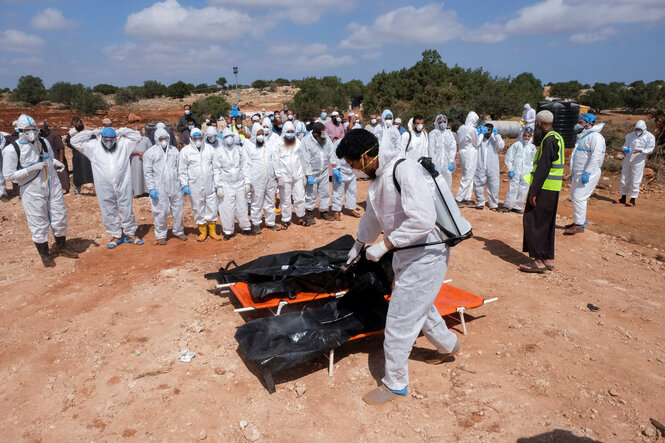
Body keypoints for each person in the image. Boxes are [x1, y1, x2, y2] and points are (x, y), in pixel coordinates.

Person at [336, 129, 460, 405]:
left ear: (367, 155)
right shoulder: (377, 181)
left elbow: (423, 220)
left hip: (426, 254)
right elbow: (372, 217)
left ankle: (395, 384)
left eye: (353, 163)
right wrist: (359, 245)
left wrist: (386, 245)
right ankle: (448, 344)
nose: (353, 169)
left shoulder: (404, 171)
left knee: (400, 321)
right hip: (406, 254)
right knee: (419, 305)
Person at [2, 114, 77, 266]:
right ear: (20, 130)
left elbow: (48, 157)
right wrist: (31, 169)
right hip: (31, 189)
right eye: (28, 130)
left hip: (52, 185)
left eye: (34, 129)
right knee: (38, 221)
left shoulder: (42, 142)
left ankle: (62, 247)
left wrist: (56, 163)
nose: (32, 132)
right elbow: (9, 175)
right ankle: (45, 254)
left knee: (59, 216)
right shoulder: (12, 150)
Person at [70, 125, 145, 247]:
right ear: (101, 138)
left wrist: (122, 130)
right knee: (108, 209)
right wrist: (92, 132)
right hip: (104, 185)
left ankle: (131, 234)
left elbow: (137, 136)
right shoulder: (93, 146)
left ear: (116, 138)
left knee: (126, 207)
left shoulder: (123, 145)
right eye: (106, 140)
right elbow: (74, 141)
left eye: (112, 140)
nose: (109, 143)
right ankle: (116, 235)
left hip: (123, 182)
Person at [520, 110, 564, 273]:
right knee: (546, 224)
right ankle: (547, 258)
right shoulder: (557, 137)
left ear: (539, 123)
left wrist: (533, 192)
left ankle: (538, 261)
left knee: (534, 222)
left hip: (544, 189)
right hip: (552, 189)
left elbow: (543, 168)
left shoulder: (548, 140)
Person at [143, 127, 186, 245]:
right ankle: (161, 235)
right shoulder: (150, 153)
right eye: (161, 138)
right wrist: (151, 187)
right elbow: (147, 172)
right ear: (156, 139)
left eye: (166, 138)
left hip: (175, 186)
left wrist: (183, 184)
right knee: (160, 211)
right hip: (159, 187)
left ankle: (178, 231)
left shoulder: (174, 151)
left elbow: (180, 169)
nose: (164, 140)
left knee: (178, 210)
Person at [565, 113, 606, 235]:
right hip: (579, 172)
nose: (578, 124)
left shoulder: (596, 137)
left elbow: (596, 156)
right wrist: (573, 172)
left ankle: (579, 224)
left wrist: (587, 172)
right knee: (574, 196)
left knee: (579, 197)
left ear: (589, 124)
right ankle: (578, 222)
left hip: (589, 173)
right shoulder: (584, 136)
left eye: (581, 122)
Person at [178, 128, 220, 241]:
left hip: (210, 184)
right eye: (195, 138)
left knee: (212, 206)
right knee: (198, 207)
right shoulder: (185, 151)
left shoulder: (209, 149)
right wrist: (184, 184)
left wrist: (217, 183)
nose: (198, 140)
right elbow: (182, 170)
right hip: (194, 186)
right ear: (191, 139)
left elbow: (216, 167)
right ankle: (202, 231)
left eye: (200, 138)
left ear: (203, 137)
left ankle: (212, 230)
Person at [242, 123, 281, 234]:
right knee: (257, 202)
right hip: (256, 179)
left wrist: (277, 174)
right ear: (254, 134)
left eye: (262, 134)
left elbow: (274, 160)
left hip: (270, 178)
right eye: (258, 134)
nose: (261, 136)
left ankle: (270, 222)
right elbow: (246, 165)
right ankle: (256, 224)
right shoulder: (249, 147)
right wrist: (248, 181)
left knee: (270, 201)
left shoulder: (267, 145)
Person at [213, 128, 251, 240]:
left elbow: (245, 166)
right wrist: (219, 186)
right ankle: (228, 231)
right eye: (226, 137)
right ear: (223, 139)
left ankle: (245, 227)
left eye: (230, 136)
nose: (229, 139)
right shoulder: (218, 152)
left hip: (240, 183)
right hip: (226, 184)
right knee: (227, 208)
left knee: (242, 205)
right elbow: (216, 170)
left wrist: (247, 182)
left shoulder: (239, 150)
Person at [301, 122, 338, 225]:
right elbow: (305, 159)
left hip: (324, 171)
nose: (323, 134)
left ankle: (323, 211)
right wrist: (308, 175)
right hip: (312, 172)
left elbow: (331, 152)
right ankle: (309, 213)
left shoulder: (325, 138)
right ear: (315, 133)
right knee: (310, 194)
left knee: (325, 192)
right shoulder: (306, 141)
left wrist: (334, 167)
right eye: (321, 133)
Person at [273, 121, 306, 228]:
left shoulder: (297, 142)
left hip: (297, 174)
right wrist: (278, 176)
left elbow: (302, 158)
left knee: (300, 196)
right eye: (288, 132)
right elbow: (275, 160)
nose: (290, 134)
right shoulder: (278, 143)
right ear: (284, 132)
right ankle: (286, 219)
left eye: (292, 132)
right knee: (285, 199)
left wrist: (304, 174)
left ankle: (300, 217)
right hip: (284, 175)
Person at [616, 120, 656, 207]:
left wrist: (641, 151)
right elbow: (625, 145)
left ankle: (633, 199)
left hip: (639, 160)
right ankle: (623, 197)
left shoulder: (650, 137)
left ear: (644, 129)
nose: (637, 130)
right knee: (624, 177)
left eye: (639, 129)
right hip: (628, 158)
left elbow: (650, 149)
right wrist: (625, 149)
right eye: (636, 129)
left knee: (635, 179)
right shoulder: (630, 135)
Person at [503, 127, 537, 213]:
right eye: (525, 135)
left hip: (527, 172)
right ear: (522, 135)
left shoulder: (532, 148)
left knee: (523, 189)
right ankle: (508, 206)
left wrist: (533, 171)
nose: (526, 138)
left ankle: (517, 207)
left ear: (531, 136)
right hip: (516, 171)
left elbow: (534, 160)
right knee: (513, 188)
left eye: (528, 136)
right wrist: (510, 169)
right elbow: (509, 157)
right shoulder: (517, 145)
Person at [473, 123, 505, 211]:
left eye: (489, 130)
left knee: (493, 185)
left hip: (492, 165)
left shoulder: (495, 138)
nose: (488, 132)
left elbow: (501, 146)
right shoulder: (480, 138)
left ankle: (493, 204)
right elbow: (475, 144)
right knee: (478, 183)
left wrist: (497, 135)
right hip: (479, 164)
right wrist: (479, 133)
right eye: (486, 130)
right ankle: (480, 202)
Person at [455, 111, 484, 206]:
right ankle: (458, 198)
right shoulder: (472, 129)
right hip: (470, 152)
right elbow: (477, 143)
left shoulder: (461, 128)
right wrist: (481, 134)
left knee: (468, 174)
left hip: (462, 152)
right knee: (468, 176)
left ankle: (466, 198)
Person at [331, 139, 360, 220]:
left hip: (352, 171)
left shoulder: (357, 143)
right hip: (341, 171)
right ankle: (336, 211)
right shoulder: (338, 143)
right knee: (337, 192)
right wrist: (335, 168)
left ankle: (351, 209)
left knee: (352, 191)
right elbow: (333, 155)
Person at [40, 120, 70, 194]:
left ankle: (66, 189)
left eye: (41, 129)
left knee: (62, 174)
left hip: (57, 157)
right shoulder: (40, 136)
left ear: (45, 128)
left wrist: (61, 160)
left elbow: (61, 149)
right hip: (48, 159)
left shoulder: (54, 135)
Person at [66, 117, 94, 195]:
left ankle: (94, 190)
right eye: (76, 125)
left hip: (87, 154)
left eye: (79, 124)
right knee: (78, 172)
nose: (77, 127)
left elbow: (93, 139)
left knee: (91, 171)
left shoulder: (88, 130)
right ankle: (77, 190)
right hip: (77, 155)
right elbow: (68, 142)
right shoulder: (72, 132)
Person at [428, 114, 457, 188]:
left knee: (447, 182)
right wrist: (433, 163)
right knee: (436, 183)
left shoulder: (449, 134)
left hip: (447, 163)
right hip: (436, 163)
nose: (442, 123)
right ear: (436, 122)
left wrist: (451, 161)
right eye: (440, 122)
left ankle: (447, 199)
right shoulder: (432, 134)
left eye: (444, 121)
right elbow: (431, 149)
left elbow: (452, 148)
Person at [130, 126, 151, 197]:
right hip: (135, 160)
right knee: (136, 176)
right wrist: (137, 153)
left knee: (146, 175)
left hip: (145, 160)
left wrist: (144, 154)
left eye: (138, 130)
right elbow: (127, 151)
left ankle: (147, 191)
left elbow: (151, 149)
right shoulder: (130, 140)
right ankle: (137, 192)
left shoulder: (146, 139)